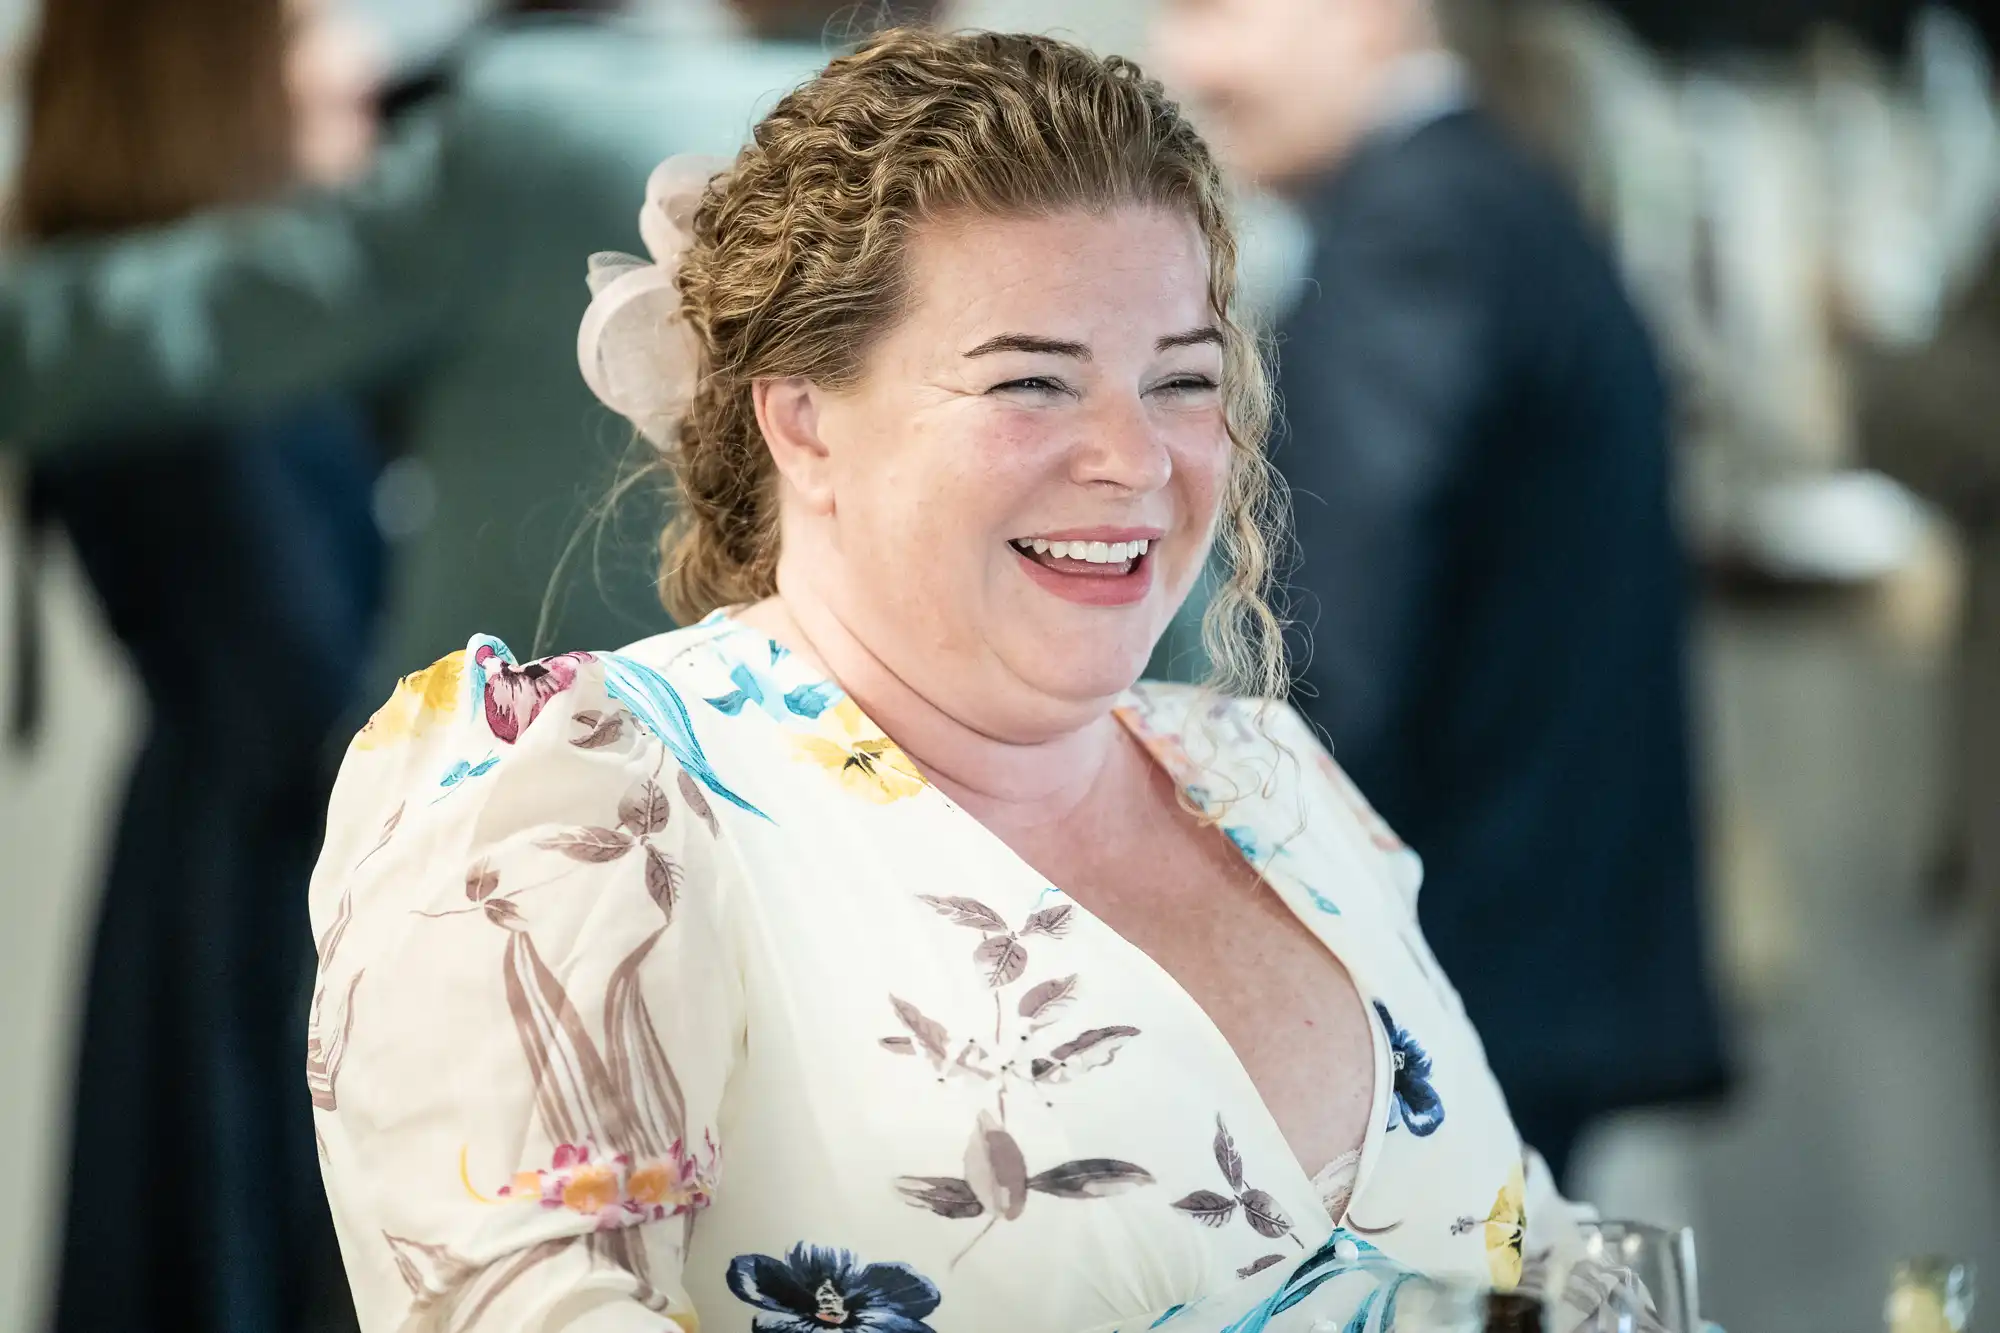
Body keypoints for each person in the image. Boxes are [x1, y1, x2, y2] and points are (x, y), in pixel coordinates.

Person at [305, 29, 1605, 1333]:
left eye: (1182, 381)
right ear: (803, 418)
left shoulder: (1273, 782)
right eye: (1032, 380)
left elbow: (1548, 1273)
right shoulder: (586, 804)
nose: (1133, 457)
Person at [1152, 0, 1728, 1183]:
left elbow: (1330, 652)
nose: (1186, 63)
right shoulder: (1492, 191)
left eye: (1216, 10)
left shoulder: (1421, 228)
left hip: (1453, 967)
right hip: (1523, 949)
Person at [0, 3, 850, 698]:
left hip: (482, 815)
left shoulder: (532, 126)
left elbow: (191, 317)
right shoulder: (924, 163)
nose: (365, 50)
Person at [5, 0, 386, 1329]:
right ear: (206, 79)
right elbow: (309, 684)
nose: (357, 68)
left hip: (216, 864)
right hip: (273, 892)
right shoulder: (188, 353)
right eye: (305, 37)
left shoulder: (130, 332)